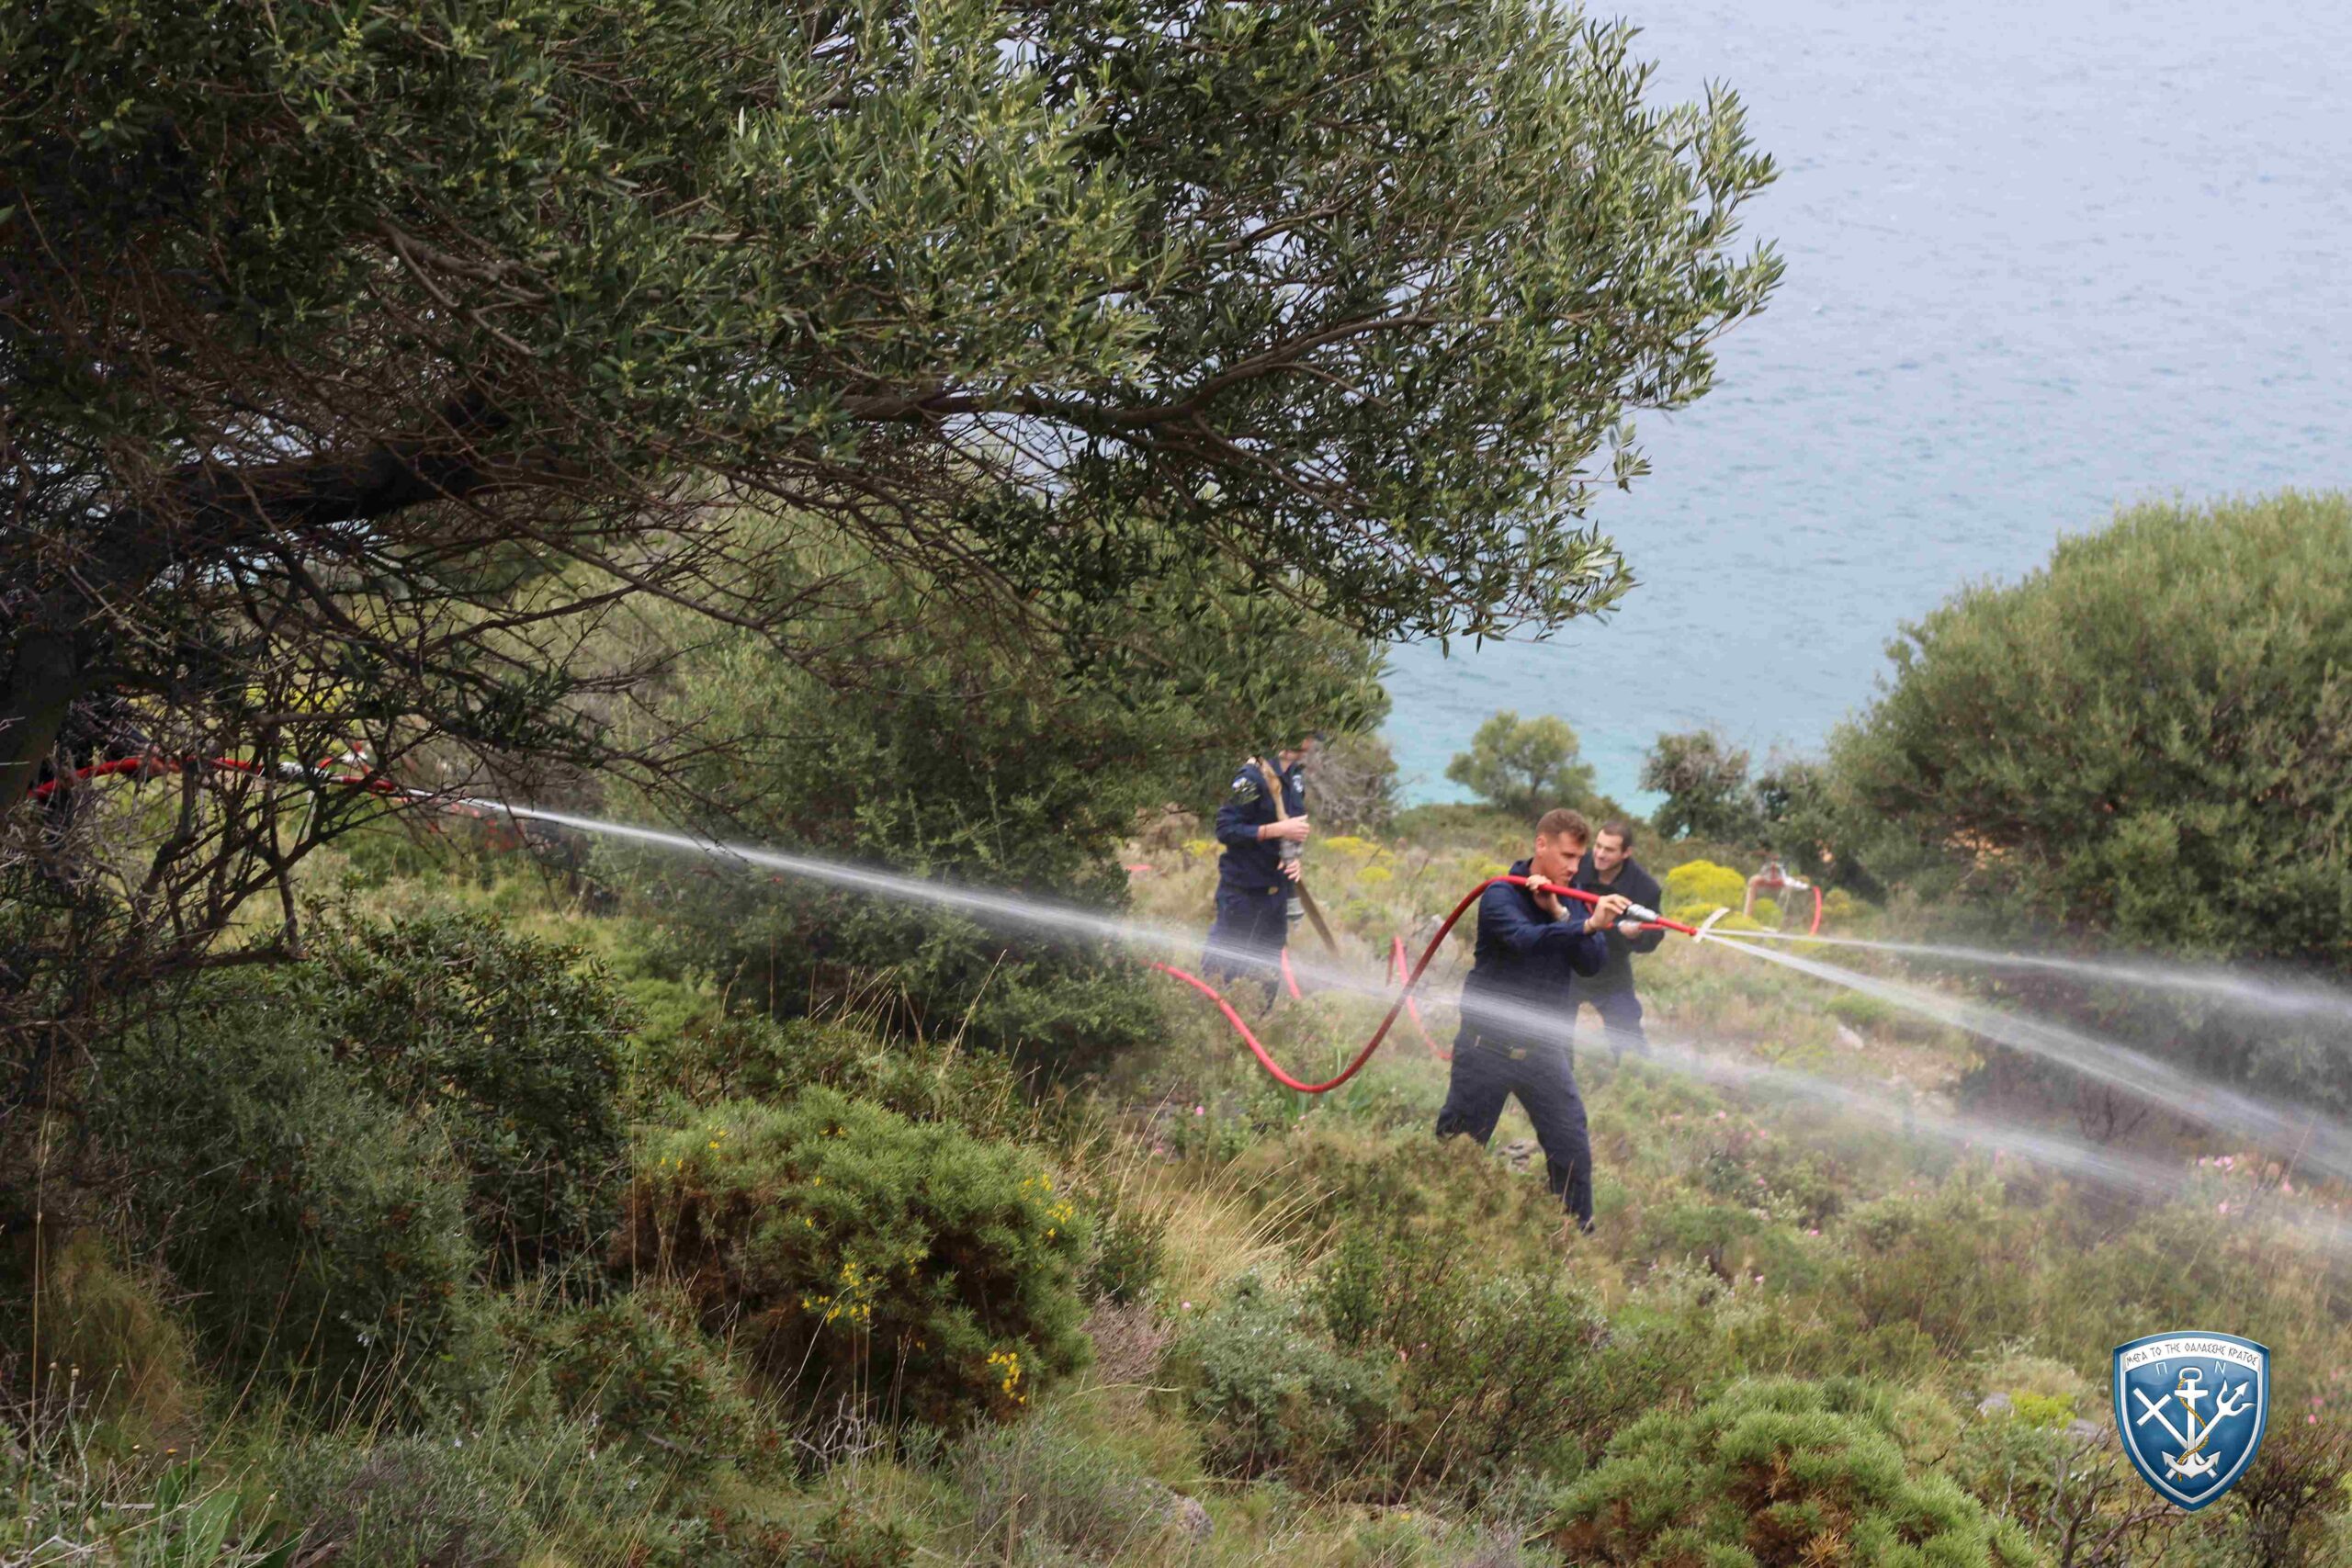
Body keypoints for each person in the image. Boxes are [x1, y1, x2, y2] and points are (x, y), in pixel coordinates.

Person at [1433, 807, 1631, 1231]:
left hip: (1543, 1051)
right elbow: (1524, 940)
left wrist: (1563, 913)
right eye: (1567, 856)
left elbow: (1592, 963)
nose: (1574, 867)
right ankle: (1434, 1234)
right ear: (1541, 845)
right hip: (1486, 1048)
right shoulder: (1501, 893)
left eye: (1579, 859)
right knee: (1456, 1155)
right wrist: (1583, 926)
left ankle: (1573, 1243)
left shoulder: (1571, 897)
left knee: (1572, 1150)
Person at [1201, 731, 1319, 987]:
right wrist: (1277, 830)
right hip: (1244, 892)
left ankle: (1259, 1011)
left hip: (1275, 896)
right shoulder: (1249, 778)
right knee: (1225, 970)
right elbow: (1226, 830)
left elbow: (1292, 827)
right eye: (1307, 736)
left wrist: (1293, 857)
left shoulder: (1295, 777)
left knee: (1266, 974)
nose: (1310, 743)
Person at [1568, 818, 1666, 1059]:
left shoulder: (1645, 887)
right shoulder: (1575, 864)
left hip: (1611, 967)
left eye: (1609, 850)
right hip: (1569, 960)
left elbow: (1654, 934)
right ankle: (1558, 1070)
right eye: (1598, 846)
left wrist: (1637, 935)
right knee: (1550, 1027)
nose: (1600, 854)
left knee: (1627, 1033)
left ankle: (1636, 1070)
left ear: (1626, 853)